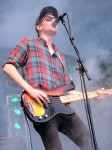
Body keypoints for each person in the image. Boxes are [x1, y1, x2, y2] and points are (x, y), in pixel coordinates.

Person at [3, 6, 105, 150]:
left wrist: (94, 95)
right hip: (41, 108)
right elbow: (8, 67)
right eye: (48, 18)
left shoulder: (60, 57)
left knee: (92, 146)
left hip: (65, 110)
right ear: (39, 26)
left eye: (54, 18)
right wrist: (30, 90)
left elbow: (67, 90)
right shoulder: (29, 43)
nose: (54, 20)